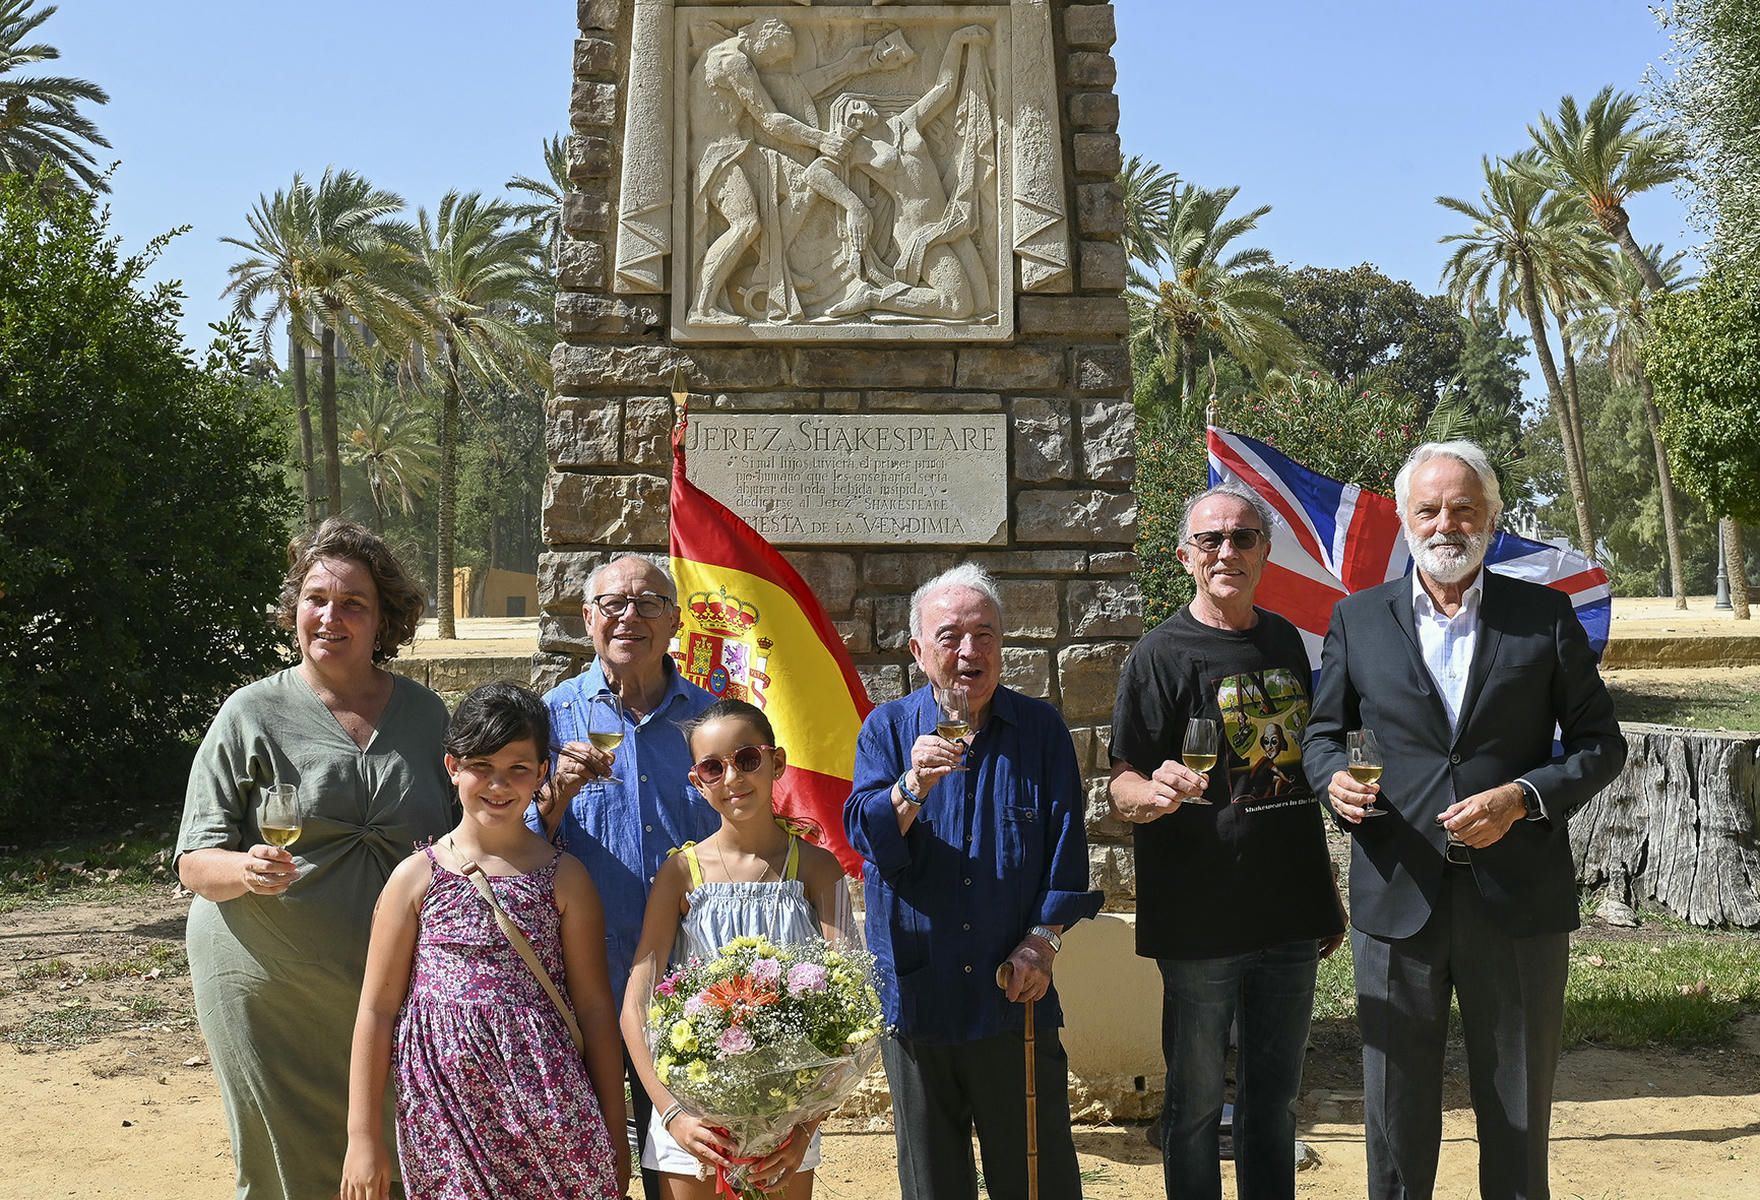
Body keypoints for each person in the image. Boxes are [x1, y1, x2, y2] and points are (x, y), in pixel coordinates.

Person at [1302, 441, 1627, 1200]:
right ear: (1407, 520)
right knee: (1394, 1108)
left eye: (1463, 509)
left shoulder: (1541, 617)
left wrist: (1521, 798)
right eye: (1429, 509)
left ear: (1490, 518)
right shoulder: (1357, 620)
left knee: (1515, 1107)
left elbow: (1600, 744)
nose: (1446, 524)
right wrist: (1331, 778)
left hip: (1517, 900)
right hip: (1396, 894)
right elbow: (1323, 733)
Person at [176, 518, 454, 1200]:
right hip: (268, 984)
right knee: (284, 1167)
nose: (331, 617)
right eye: (316, 599)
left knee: (396, 1158)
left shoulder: (428, 717)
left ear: (383, 618)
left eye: (353, 603)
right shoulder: (249, 713)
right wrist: (245, 869)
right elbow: (192, 860)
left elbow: (468, 834)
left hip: (397, 989)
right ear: (294, 608)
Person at [1108, 484, 1346, 1200]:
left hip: (1289, 914)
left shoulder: (1285, 643)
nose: (1227, 551)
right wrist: (1153, 794)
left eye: (1243, 538)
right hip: (1201, 919)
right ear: (1185, 556)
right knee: (1196, 1107)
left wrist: (1325, 895)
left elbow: (1306, 775)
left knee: (1274, 1105)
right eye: (1211, 539)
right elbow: (1121, 779)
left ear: (1264, 554)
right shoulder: (1158, 655)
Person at [845, 563, 1102, 1200]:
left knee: (1036, 1182)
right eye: (950, 636)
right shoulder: (886, 729)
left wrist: (1043, 941)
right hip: (919, 996)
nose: (969, 651)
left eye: (985, 634)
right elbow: (865, 837)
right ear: (917, 651)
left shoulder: (1040, 731)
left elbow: (1067, 857)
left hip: (1012, 998)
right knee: (933, 1186)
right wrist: (911, 787)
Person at [340, 682, 628, 1200]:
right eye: (481, 766)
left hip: (549, 1113)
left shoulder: (565, 878)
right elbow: (377, 1009)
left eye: (519, 768)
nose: (498, 784)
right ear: (452, 768)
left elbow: (593, 1008)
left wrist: (613, 1131)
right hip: (442, 1115)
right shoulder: (415, 878)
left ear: (543, 772)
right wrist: (362, 1139)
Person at [531, 554, 718, 1198]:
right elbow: (516, 851)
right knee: (591, 1172)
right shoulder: (549, 720)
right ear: (587, 619)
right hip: (582, 986)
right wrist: (555, 795)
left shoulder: (712, 722)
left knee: (689, 1171)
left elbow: (746, 832)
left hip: (696, 987)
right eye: (612, 604)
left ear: (673, 622)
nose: (628, 616)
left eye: (646, 604)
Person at [621, 699, 850, 1198]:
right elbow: (637, 1001)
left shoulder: (817, 869)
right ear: (696, 782)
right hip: (694, 1115)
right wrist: (674, 1113)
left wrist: (803, 1127)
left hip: (789, 1115)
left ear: (777, 762)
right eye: (712, 767)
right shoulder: (679, 874)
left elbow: (852, 1007)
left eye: (747, 759)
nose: (732, 777)